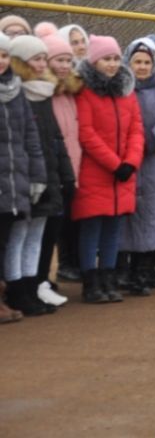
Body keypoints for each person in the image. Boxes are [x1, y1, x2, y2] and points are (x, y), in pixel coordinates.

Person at [74, 35, 145, 302]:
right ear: (94, 61)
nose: (113, 64)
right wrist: (115, 164)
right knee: (92, 227)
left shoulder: (126, 91)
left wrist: (130, 162)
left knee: (113, 228)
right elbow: (86, 133)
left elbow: (137, 129)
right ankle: (91, 281)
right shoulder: (85, 91)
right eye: (106, 58)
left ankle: (108, 276)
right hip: (96, 171)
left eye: (116, 58)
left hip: (123, 173)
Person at [6, 36, 73, 315]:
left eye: (44, 59)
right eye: (36, 59)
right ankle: (17, 290)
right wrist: (33, 176)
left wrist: (65, 174)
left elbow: (54, 139)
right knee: (18, 236)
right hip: (25, 178)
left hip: (48, 177)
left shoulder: (44, 94)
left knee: (35, 236)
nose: (42, 64)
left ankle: (33, 287)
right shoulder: (17, 94)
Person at [119, 39, 155, 295]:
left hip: (153, 162)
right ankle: (124, 271)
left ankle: (144, 270)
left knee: (152, 217)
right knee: (125, 218)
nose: (142, 67)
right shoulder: (119, 89)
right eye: (137, 62)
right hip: (123, 162)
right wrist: (128, 146)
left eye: (146, 63)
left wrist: (144, 141)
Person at [0, 33, 45, 322]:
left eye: (4, 55)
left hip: (13, 183)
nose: (1, 61)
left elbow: (30, 136)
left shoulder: (16, 91)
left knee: (3, 243)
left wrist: (37, 176)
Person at [41, 33, 84, 290]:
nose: (65, 65)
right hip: (53, 168)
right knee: (51, 226)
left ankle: (70, 264)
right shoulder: (43, 93)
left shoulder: (71, 92)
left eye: (68, 60)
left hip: (73, 165)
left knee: (71, 219)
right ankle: (46, 275)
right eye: (59, 60)